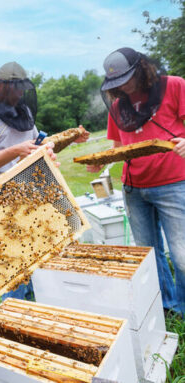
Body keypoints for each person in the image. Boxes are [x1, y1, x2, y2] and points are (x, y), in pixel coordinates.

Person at [0, 61, 88, 300]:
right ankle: (15, 312)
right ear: (2, 86)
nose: (21, 94)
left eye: (23, 89)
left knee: (44, 251)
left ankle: (44, 302)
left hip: (36, 187)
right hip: (4, 193)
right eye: (17, 89)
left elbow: (37, 144)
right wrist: (15, 150)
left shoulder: (22, 111)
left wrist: (69, 138)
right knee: (14, 262)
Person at [87, 47, 185, 317]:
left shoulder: (174, 86)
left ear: (142, 68)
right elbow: (117, 146)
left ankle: (184, 307)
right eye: (117, 83)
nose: (123, 86)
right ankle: (166, 306)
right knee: (150, 256)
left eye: (127, 78)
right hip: (134, 188)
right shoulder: (119, 106)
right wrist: (99, 161)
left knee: (182, 257)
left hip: (174, 183)